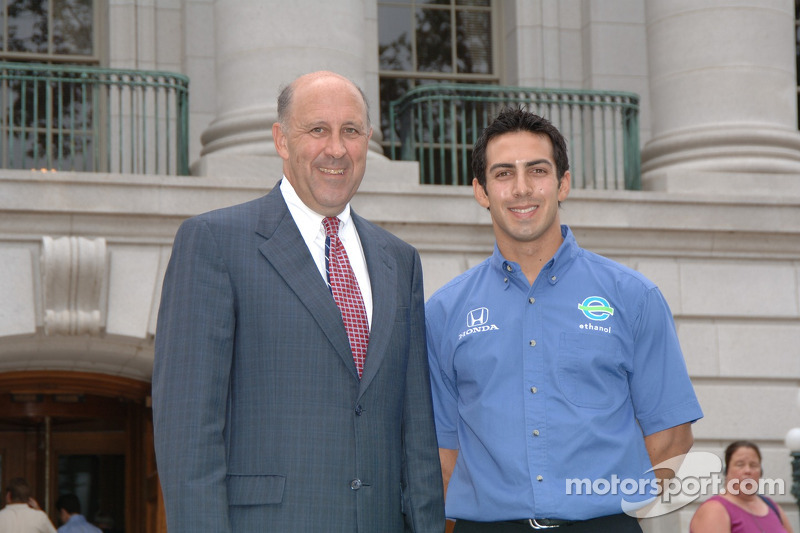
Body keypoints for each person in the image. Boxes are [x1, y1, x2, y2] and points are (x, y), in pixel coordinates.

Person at [152, 70, 445, 532]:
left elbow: (417, 436)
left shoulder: (400, 261)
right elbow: (189, 434)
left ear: (366, 140)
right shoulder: (214, 243)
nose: (336, 148)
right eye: (317, 130)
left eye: (351, 131)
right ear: (281, 140)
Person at [425, 107, 704, 532]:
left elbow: (671, 437)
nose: (522, 188)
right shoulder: (444, 312)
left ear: (563, 183)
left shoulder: (633, 297)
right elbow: (444, 453)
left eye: (537, 170)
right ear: (481, 191)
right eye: (503, 174)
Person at [690, 441, 793, 533]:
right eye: (740, 465)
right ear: (727, 471)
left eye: (753, 465)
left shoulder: (772, 506)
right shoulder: (714, 510)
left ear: (760, 472)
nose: (747, 471)